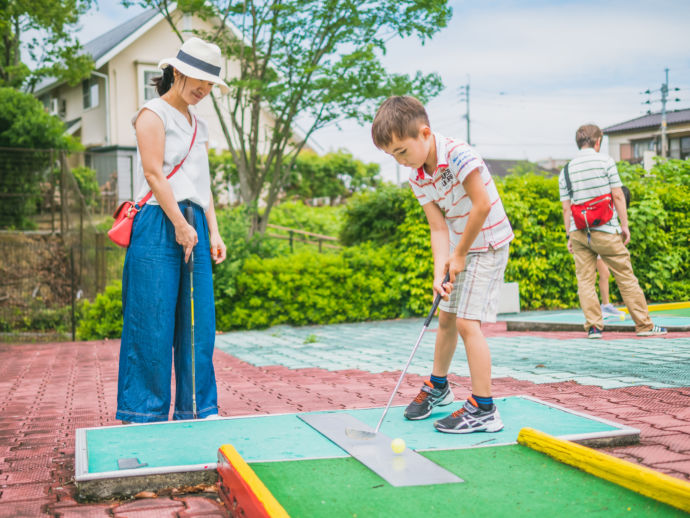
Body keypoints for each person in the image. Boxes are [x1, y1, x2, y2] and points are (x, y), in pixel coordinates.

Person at [371, 96, 513, 434]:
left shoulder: (459, 156)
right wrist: (440, 273)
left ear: (424, 133)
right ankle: (439, 385)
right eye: (392, 156)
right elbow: (438, 227)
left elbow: (480, 206)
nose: (400, 161)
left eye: (402, 151)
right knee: (445, 316)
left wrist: (460, 254)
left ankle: (484, 408)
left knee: (466, 323)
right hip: (460, 244)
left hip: (488, 243)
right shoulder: (418, 177)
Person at [116, 38, 229, 423]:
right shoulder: (152, 113)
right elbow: (153, 174)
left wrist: (213, 231)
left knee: (198, 324)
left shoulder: (201, 124)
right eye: (198, 78)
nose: (204, 89)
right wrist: (179, 225)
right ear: (177, 72)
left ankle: (198, 409)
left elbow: (203, 183)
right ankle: (143, 414)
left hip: (194, 223)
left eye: (210, 83)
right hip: (158, 223)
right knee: (151, 321)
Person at [559, 124, 666, 339]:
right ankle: (644, 326)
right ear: (597, 141)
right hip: (606, 230)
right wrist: (624, 226)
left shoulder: (566, 170)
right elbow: (617, 195)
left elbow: (566, 207)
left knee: (585, 282)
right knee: (625, 277)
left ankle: (594, 328)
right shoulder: (605, 161)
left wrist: (570, 235)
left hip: (580, 232)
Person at [597, 186, 631, 319]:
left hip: (601, 242)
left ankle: (605, 305)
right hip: (597, 241)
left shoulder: (614, 209)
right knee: (603, 273)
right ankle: (603, 306)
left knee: (605, 274)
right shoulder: (609, 206)